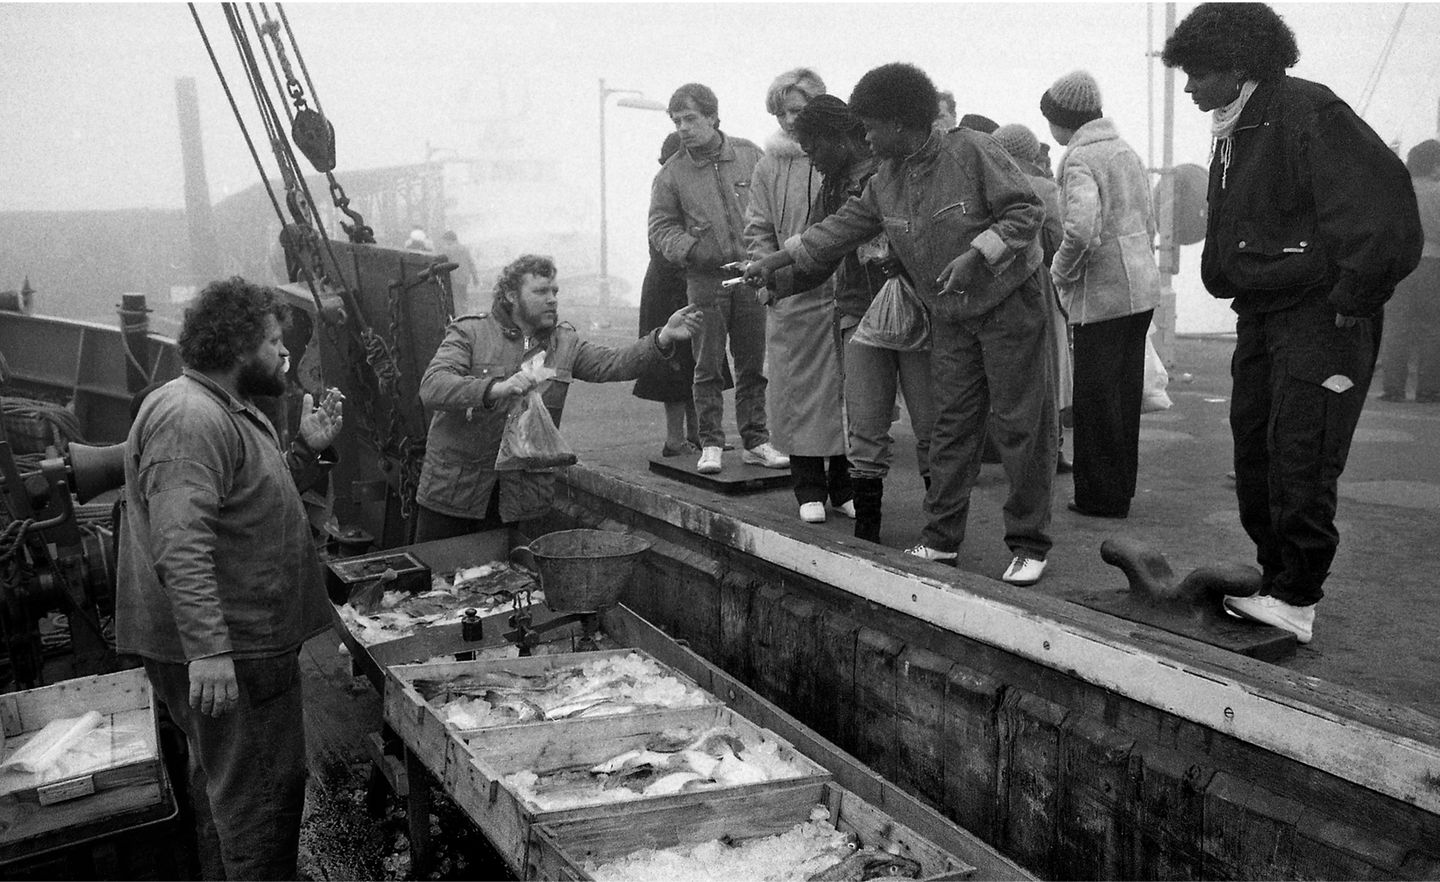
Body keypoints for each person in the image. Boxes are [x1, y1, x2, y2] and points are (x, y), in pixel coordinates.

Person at [1162, 2, 1422, 642]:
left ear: (1237, 65)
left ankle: (1297, 598)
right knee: (1255, 451)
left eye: (1196, 74)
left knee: (1301, 456)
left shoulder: (1309, 113)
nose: (1189, 87)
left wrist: (1351, 299)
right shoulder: (1240, 126)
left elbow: (1386, 218)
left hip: (1320, 318)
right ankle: (1276, 580)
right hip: (1264, 315)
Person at [745, 63, 1054, 587]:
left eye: (869, 126)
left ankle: (1029, 544)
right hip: (951, 315)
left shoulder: (973, 151)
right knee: (950, 429)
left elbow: (1027, 211)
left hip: (1009, 306)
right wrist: (777, 261)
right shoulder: (885, 179)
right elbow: (839, 229)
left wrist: (978, 255)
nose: (863, 136)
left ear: (901, 123)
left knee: (1020, 426)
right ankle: (940, 541)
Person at [116, 277, 345, 880]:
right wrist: (210, 652)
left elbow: (250, 505)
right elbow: (180, 542)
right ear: (240, 346)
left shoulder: (225, 411)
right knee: (262, 803)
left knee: (227, 789)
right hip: (233, 652)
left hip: (232, 646)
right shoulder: (191, 419)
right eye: (274, 341)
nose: (285, 354)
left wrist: (307, 451)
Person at [414, 254, 702, 540]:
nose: (552, 298)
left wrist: (662, 337)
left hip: (515, 498)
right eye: (540, 291)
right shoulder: (471, 332)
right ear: (512, 296)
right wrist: (494, 389)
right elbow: (433, 386)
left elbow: (613, 363)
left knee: (502, 579)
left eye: (554, 291)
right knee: (433, 579)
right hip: (453, 492)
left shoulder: (563, 343)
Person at [792, 94, 934, 543]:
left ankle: (940, 532)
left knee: (929, 424)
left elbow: (826, 244)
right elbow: (818, 251)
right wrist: (775, 282)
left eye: (813, 147)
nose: (809, 158)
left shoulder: (884, 176)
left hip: (912, 312)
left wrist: (778, 272)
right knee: (866, 426)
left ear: (839, 137)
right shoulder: (831, 184)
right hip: (858, 313)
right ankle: (869, 531)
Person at [649, 82, 788, 475]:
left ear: (713, 116)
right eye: (677, 120)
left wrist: (771, 257)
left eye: (691, 118)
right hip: (704, 281)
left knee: (751, 364)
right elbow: (660, 227)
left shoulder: (750, 155)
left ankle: (756, 440)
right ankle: (711, 442)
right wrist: (693, 250)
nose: (683, 127)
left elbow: (773, 206)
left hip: (750, 276)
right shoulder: (671, 174)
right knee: (706, 364)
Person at [1040, 71, 1161, 518]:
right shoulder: (1124, 151)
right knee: (1124, 397)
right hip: (1139, 291)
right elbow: (1148, 220)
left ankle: (1097, 497)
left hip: (1103, 296)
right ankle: (1119, 491)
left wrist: (1059, 274)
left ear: (1063, 120)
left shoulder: (1079, 159)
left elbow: (1081, 228)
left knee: (1094, 399)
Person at [745, 67, 853, 524]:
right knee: (796, 396)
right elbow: (758, 228)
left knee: (848, 394)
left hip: (839, 289)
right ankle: (807, 485)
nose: (793, 120)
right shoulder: (768, 165)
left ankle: (844, 485)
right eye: (786, 111)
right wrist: (770, 282)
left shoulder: (836, 160)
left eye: (802, 110)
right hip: (790, 293)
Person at [633, 132, 732, 457]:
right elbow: (666, 244)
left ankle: (700, 434)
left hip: (685, 285)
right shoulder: (667, 189)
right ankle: (676, 439)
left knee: (698, 362)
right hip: (670, 289)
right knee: (673, 366)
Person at [994, 122, 1074, 475]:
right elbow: (1059, 237)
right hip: (1041, 286)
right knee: (1050, 375)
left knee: (1011, 378)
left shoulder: (992, 186)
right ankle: (1051, 451)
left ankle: (1014, 455)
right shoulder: (1044, 187)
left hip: (997, 292)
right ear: (1029, 152)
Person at [1378, 139, 1440, 403]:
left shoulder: (1395, 190)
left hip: (1400, 264)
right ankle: (1428, 389)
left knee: (1396, 326)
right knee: (1431, 327)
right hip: (1432, 262)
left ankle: (1393, 389)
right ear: (1435, 165)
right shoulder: (1437, 192)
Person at [438, 230, 479, 310]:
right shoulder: (464, 248)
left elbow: (444, 265)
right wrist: (475, 277)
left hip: (453, 278)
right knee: (463, 297)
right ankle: (464, 312)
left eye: (445, 240)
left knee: (455, 299)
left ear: (449, 239)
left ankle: (458, 314)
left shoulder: (447, 250)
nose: (445, 242)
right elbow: (471, 263)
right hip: (464, 277)